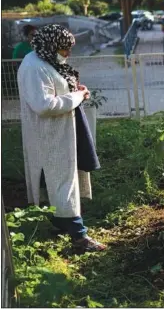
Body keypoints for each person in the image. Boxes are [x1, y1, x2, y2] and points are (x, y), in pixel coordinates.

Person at [17, 24, 106, 252]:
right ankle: (80, 237)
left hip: (61, 130)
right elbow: (44, 105)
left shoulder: (45, 60)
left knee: (60, 179)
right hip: (50, 134)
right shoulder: (34, 67)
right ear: (51, 45)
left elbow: (57, 89)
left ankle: (59, 224)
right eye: (65, 48)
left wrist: (75, 91)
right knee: (62, 180)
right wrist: (76, 95)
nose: (68, 54)